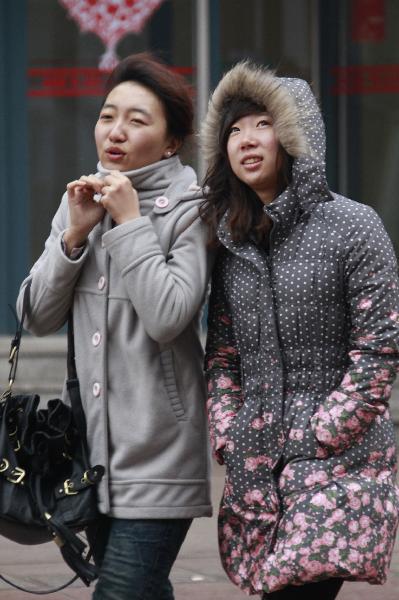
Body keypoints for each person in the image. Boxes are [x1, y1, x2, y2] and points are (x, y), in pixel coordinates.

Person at [200, 60, 399, 599]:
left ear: (295, 131)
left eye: (262, 123)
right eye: (234, 129)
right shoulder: (233, 239)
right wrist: (228, 430)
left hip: (338, 460)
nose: (246, 139)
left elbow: (379, 351)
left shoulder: (354, 226)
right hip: (256, 461)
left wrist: (320, 434)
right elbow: (222, 354)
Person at [17, 53, 213, 600]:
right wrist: (74, 238)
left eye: (137, 120)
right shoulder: (81, 199)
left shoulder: (193, 211)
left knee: (122, 592)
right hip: (87, 454)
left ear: (171, 143)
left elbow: (170, 316)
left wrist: (130, 223)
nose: (116, 131)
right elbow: (35, 316)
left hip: (159, 453)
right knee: (138, 590)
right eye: (108, 115)